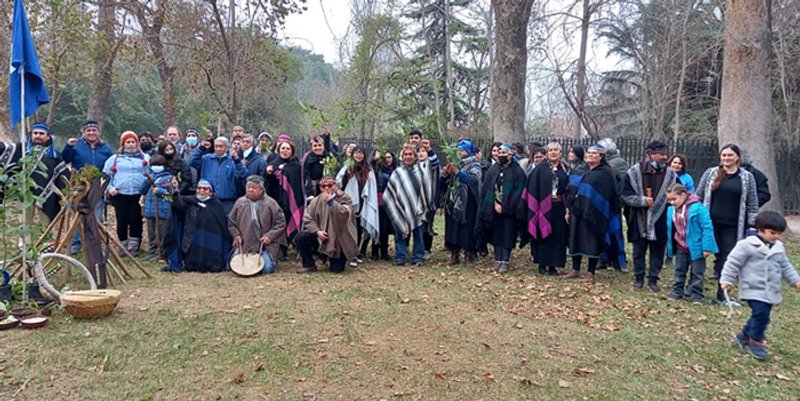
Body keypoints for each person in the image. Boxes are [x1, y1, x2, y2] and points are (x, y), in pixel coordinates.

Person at [721, 211, 800, 360]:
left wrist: (795, 280)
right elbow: (733, 262)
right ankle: (756, 341)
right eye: (772, 232)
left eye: (779, 233)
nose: (776, 236)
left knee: (761, 314)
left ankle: (744, 335)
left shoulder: (778, 248)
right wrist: (726, 279)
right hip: (753, 288)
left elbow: (786, 266)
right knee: (761, 314)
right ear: (760, 229)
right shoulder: (746, 245)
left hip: (771, 290)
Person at [696, 143, 759, 302]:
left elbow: (752, 202)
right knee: (699, 256)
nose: (726, 158)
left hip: (732, 226)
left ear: (737, 157)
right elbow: (698, 196)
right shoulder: (710, 173)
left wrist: (752, 224)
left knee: (727, 260)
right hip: (708, 224)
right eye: (724, 155)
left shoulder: (746, 177)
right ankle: (695, 292)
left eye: (730, 155)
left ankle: (722, 295)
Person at [620, 140, 677, 292]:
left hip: (659, 217)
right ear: (651, 155)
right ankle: (639, 278)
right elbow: (624, 195)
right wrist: (642, 201)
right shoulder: (633, 172)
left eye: (666, 154)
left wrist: (671, 200)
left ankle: (653, 279)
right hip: (639, 217)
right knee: (639, 250)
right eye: (662, 155)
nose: (665, 157)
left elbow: (677, 193)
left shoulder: (671, 175)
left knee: (658, 250)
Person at [565, 144, 626, 282]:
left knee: (593, 241)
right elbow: (571, 191)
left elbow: (609, 196)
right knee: (575, 239)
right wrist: (568, 209)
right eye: (589, 153)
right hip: (577, 211)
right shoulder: (579, 170)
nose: (590, 155)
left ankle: (590, 272)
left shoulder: (606, 173)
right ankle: (575, 269)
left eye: (594, 153)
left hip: (595, 213)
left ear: (601, 156)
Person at [62, 120, 115, 253]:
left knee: (96, 216)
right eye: (88, 131)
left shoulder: (106, 149)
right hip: (79, 186)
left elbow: (112, 167)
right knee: (77, 216)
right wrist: (68, 147)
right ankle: (76, 244)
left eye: (94, 130)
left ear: (98, 132)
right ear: (84, 132)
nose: (91, 133)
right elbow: (65, 159)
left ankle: (94, 243)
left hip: (98, 187)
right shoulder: (76, 146)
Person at [476, 144, 526, 274]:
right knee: (497, 235)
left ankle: (505, 260)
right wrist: (494, 204)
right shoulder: (493, 169)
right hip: (494, 208)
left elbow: (519, 191)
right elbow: (488, 188)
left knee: (508, 235)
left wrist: (507, 206)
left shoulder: (517, 171)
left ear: (510, 155)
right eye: (499, 152)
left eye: (504, 152)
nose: (501, 154)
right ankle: (497, 259)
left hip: (510, 210)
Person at [523, 142, 570, 276]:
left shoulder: (564, 168)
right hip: (542, 207)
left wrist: (568, 208)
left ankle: (554, 265)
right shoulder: (540, 168)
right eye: (550, 150)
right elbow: (532, 187)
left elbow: (568, 188)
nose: (553, 152)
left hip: (559, 206)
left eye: (556, 150)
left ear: (561, 153)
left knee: (558, 236)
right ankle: (542, 264)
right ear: (547, 153)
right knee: (543, 235)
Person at [665, 183, 717, 303]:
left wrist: (707, 247)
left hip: (697, 247)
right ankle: (677, 291)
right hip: (681, 246)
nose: (671, 202)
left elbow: (707, 227)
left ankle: (696, 294)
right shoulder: (672, 210)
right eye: (669, 200)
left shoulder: (699, 208)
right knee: (679, 269)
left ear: (683, 195)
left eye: (674, 199)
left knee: (697, 272)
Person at [295, 176, 358, 274]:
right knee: (301, 237)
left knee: (336, 269)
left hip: (339, 240)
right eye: (323, 186)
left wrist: (331, 202)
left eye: (329, 185)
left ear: (335, 186)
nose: (326, 188)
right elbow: (307, 218)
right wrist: (317, 231)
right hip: (322, 238)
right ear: (320, 188)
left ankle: (337, 259)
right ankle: (309, 265)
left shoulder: (344, 197)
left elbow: (345, 213)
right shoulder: (316, 201)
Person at [103, 131, 151, 256]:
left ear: (137, 143)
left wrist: (146, 191)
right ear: (123, 144)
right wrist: (110, 188)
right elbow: (105, 176)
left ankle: (134, 247)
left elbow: (151, 174)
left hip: (138, 195)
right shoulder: (114, 159)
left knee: (136, 220)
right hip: (120, 195)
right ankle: (123, 247)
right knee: (122, 220)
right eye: (128, 142)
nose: (130, 145)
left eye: (133, 142)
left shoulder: (145, 158)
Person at [169, 179, 232, 273]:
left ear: (210, 192)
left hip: (211, 238)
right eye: (199, 188)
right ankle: (192, 265)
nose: (201, 191)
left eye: (205, 189)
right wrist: (175, 191)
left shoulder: (216, 204)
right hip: (193, 236)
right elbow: (178, 204)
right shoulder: (190, 201)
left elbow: (222, 225)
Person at [228, 175, 287, 274]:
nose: (250, 190)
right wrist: (236, 235)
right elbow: (231, 222)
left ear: (261, 189)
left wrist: (270, 236)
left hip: (266, 245)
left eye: (254, 187)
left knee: (266, 269)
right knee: (235, 266)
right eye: (248, 187)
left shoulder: (271, 203)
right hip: (245, 244)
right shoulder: (240, 202)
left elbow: (281, 222)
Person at [384, 144, 430, 267]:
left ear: (415, 157)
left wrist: (422, 205)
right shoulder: (397, 172)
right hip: (401, 208)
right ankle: (400, 257)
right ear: (402, 156)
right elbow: (390, 192)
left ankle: (418, 257)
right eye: (406, 154)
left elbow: (426, 189)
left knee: (419, 234)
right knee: (400, 232)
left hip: (418, 208)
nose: (408, 157)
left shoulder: (421, 171)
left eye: (411, 154)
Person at [336, 146, 379, 266]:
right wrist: (346, 175)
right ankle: (348, 254)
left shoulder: (368, 169)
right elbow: (338, 183)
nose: (358, 155)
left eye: (361, 153)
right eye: (356, 153)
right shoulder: (348, 167)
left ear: (364, 155)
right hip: (350, 203)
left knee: (359, 230)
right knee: (350, 229)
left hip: (363, 202)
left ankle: (355, 254)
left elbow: (372, 186)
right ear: (352, 155)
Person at [441, 139, 482, 266]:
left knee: (467, 230)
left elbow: (473, 182)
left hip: (468, 202)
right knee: (453, 228)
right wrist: (445, 175)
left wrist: (458, 173)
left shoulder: (474, 164)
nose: (460, 152)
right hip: (454, 200)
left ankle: (469, 255)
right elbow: (443, 184)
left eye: (463, 150)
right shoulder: (453, 163)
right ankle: (454, 254)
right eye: (458, 150)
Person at [264, 139, 305, 256]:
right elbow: (267, 183)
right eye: (283, 148)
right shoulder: (273, 164)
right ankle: (281, 249)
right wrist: (268, 173)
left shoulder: (297, 166)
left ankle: (293, 244)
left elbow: (299, 183)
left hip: (293, 199)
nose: (285, 151)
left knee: (292, 220)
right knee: (279, 223)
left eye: (288, 149)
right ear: (278, 150)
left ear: (292, 151)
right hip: (277, 199)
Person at [189, 136, 246, 214]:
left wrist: (237, 161)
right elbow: (192, 161)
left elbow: (243, 174)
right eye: (216, 146)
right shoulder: (207, 159)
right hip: (207, 199)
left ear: (226, 148)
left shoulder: (232, 161)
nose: (218, 149)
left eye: (221, 146)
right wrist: (202, 148)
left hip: (227, 201)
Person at [27, 123, 69, 223]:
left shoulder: (55, 156)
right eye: (35, 133)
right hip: (26, 194)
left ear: (48, 136)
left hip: (47, 196)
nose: (38, 136)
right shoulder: (24, 153)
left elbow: (62, 175)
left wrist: (66, 193)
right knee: (24, 226)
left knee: (47, 227)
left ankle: (49, 239)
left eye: (41, 133)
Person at [142, 154, 174, 261]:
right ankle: (151, 251)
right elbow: (143, 190)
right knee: (151, 232)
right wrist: (147, 182)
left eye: (158, 165)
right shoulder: (150, 177)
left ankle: (161, 252)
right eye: (153, 165)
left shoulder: (168, 178)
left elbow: (171, 193)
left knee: (160, 233)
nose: (156, 167)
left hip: (162, 210)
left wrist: (159, 191)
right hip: (150, 210)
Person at [371, 150, 397, 261]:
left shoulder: (396, 170)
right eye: (385, 157)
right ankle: (374, 251)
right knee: (378, 226)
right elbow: (370, 168)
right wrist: (375, 159)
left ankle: (384, 252)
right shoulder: (378, 169)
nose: (388, 159)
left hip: (391, 202)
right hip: (379, 201)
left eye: (390, 157)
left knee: (386, 228)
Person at [417, 139, 440, 259]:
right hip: (416, 202)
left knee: (427, 226)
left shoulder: (430, 165)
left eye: (423, 151)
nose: (421, 153)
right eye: (419, 151)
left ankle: (426, 249)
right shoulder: (414, 165)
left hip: (429, 201)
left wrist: (429, 149)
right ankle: (418, 249)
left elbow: (435, 161)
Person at [302, 130, 334, 199]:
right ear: (311, 147)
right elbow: (306, 176)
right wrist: (309, 193)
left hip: (326, 186)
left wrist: (327, 136)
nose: (317, 148)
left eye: (320, 145)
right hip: (312, 188)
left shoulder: (328, 157)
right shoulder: (307, 158)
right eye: (315, 146)